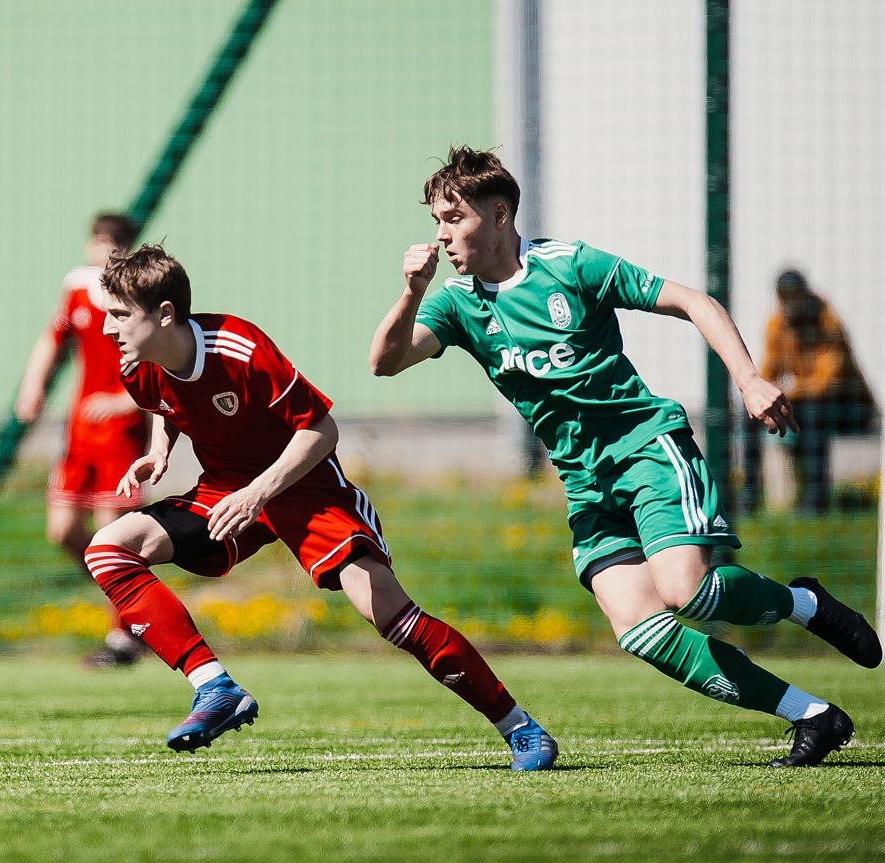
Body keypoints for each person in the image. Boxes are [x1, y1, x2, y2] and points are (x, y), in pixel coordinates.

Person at [371, 145, 881, 767]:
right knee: (641, 629)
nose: (442, 235)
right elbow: (385, 362)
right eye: (437, 222)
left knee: (686, 591)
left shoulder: (569, 266)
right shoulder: (457, 303)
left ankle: (804, 604)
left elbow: (694, 302)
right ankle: (814, 715)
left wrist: (749, 379)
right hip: (585, 481)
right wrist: (410, 293)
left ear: (499, 216)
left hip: (645, 450)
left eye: (454, 218)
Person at [84, 244, 558, 769]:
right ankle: (214, 687)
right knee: (109, 549)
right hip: (224, 490)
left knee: (391, 616)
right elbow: (165, 403)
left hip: (307, 490)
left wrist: (258, 492)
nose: (107, 327)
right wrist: (159, 451)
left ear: (165, 314)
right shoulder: (137, 367)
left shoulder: (239, 348)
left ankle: (520, 727)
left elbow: (321, 430)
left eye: (119, 314)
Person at [14, 214, 150, 668]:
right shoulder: (76, 286)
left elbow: (160, 360)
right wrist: (32, 386)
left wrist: (124, 401)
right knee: (63, 530)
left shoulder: (140, 294)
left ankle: (124, 637)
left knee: (114, 535)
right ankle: (132, 598)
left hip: (122, 434)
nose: (103, 251)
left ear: (127, 249)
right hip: (79, 433)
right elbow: (52, 338)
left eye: (113, 244)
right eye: (97, 241)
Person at [741, 269, 877, 513]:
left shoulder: (828, 323)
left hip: (849, 407)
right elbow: (768, 374)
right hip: (805, 402)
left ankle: (815, 500)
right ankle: (747, 497)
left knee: (814, 414)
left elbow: (826, 381)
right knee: (751, 411)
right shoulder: (777, 324)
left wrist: (789, 391)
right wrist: (767, 394)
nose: (791, 305)